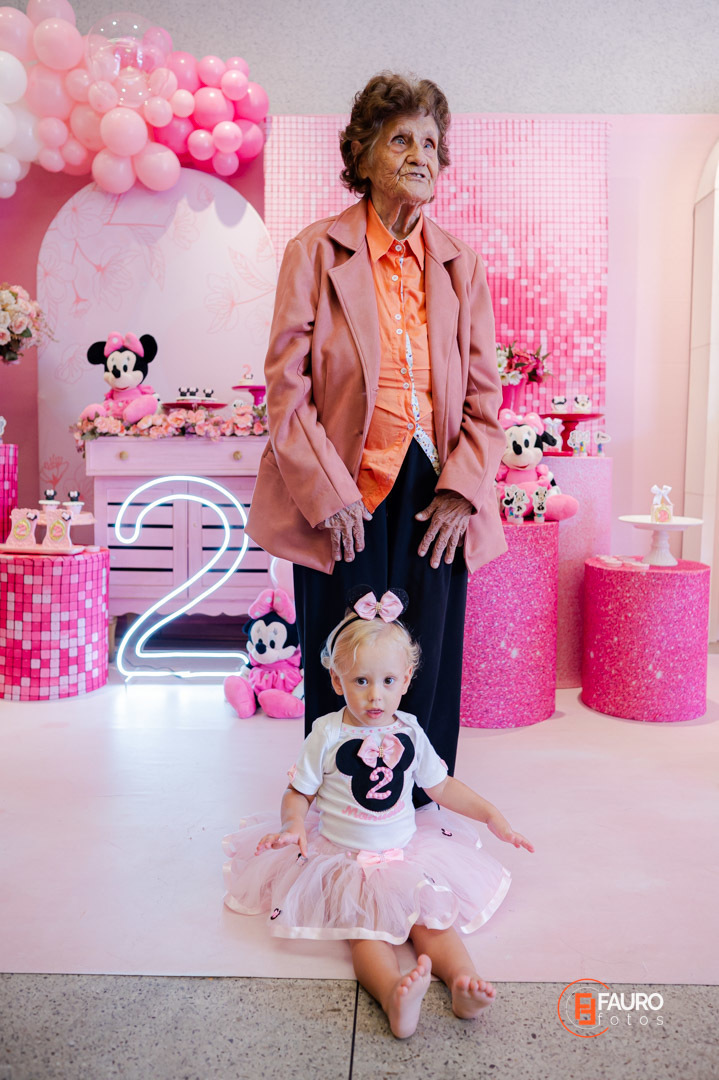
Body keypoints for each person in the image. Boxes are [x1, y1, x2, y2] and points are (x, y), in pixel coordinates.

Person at [246, 73, 507, 800]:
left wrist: (462, 490)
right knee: (347, 649)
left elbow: (485, 397)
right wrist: (326, 493)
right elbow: (287, 389)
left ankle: (414, 803)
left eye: (430, 142)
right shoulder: (314, 252)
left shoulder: (461, 266)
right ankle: (340, 798)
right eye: (400, 140)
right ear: (361, 154)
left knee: (424, 649)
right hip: (340, 483)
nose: (421, 155)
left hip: (436, 485)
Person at [223, 591, 534, 1039]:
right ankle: (392, 994)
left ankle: (463, 981)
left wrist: (490, 814)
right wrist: (292, 824)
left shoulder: (410, 730)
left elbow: (441, 786)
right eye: (361, 681)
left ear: (405, 680)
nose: (375, 695)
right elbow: (298, 792)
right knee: (366, 934)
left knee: (434, 922)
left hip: (406, 853)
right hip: (345, 860)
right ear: (337, 681)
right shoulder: (326, 733)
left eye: (388, 681)